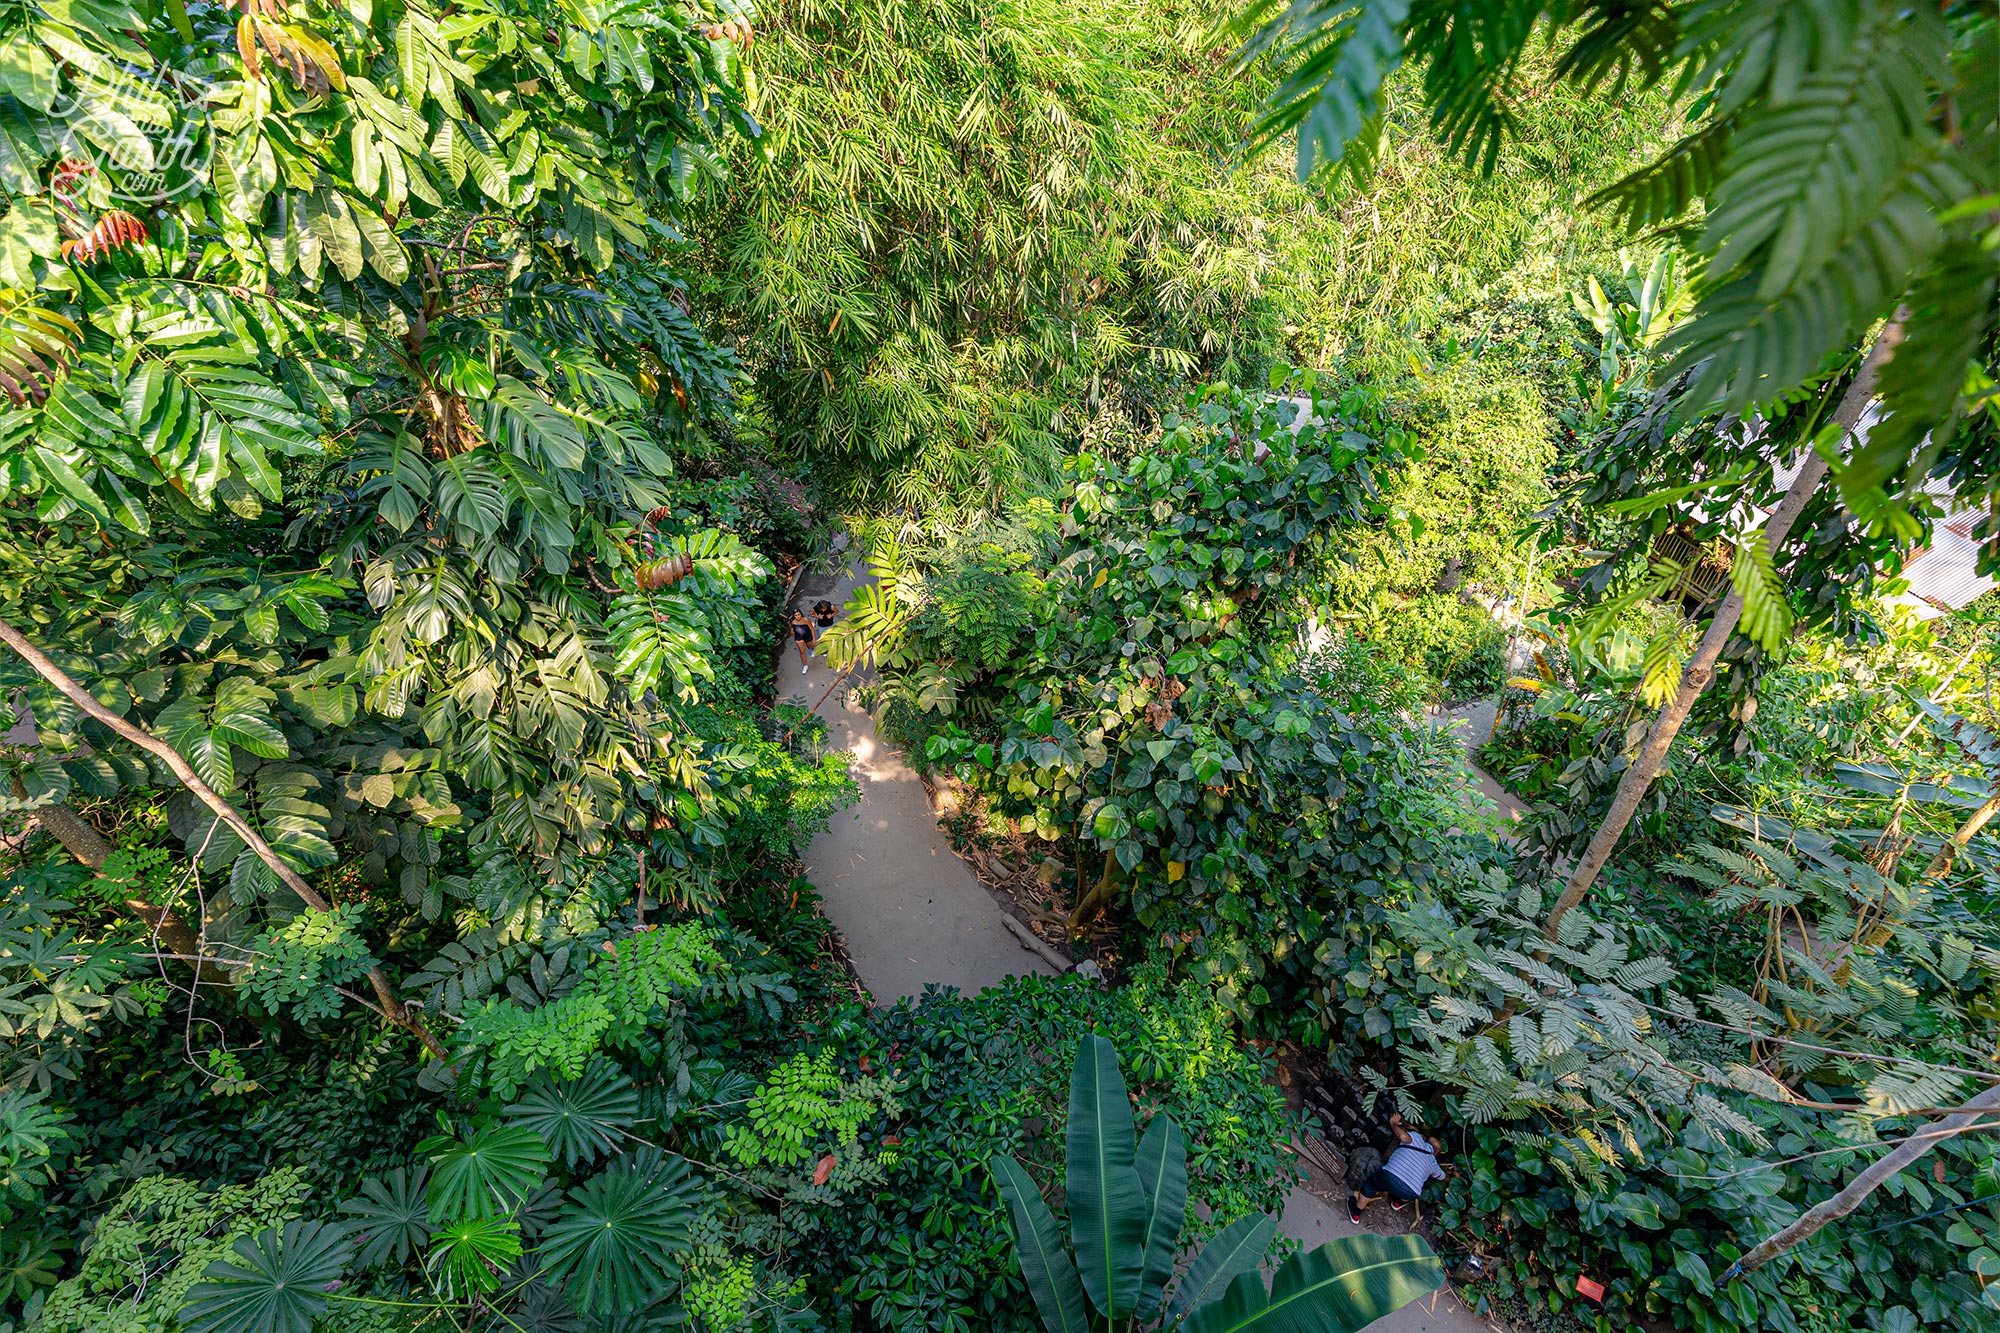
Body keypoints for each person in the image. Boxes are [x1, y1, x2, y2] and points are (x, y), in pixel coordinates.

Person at [1349, 1113, 1446, 1223]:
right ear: (1436, 1153)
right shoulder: (1433, 1164)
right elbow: (1442, 1177)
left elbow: (1403, 1137)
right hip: (1411, 1192)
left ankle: (1356, 1213)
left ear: (1425, 1140)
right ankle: (1397, 1203)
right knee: (1410, 1190)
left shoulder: (1417, 1138)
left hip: (1390, 1176)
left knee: (1371, 1185)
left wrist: (1393, 1123)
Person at [788, 609, 815, 674]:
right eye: (796, 615)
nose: (797, 616)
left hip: (807, 635)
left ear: (801, 614)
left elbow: (812, 629)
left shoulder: (806, 620)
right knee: (802, 651)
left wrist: (814, 639)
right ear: (794, 616)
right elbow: (792, 630)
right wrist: (793, 635)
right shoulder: (793, 622)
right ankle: (805, 666)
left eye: (798, 614)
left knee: (809, 646)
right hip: (799, 638)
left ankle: (812, 649)